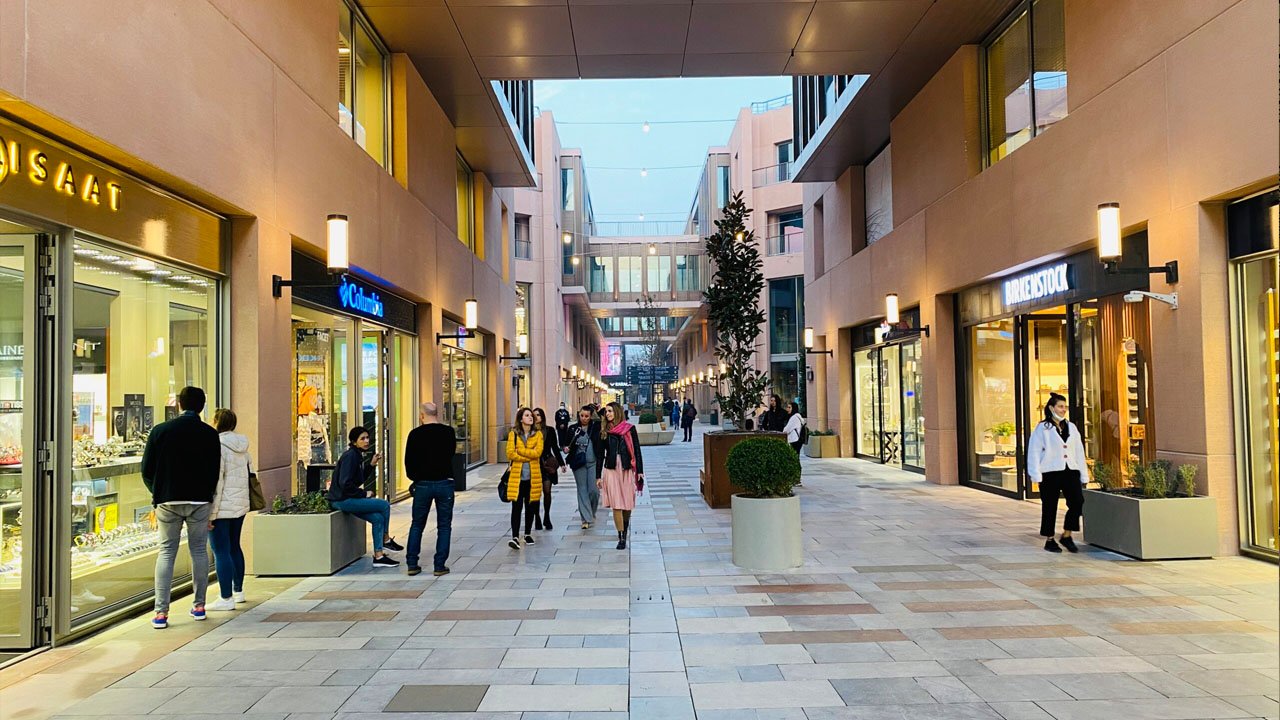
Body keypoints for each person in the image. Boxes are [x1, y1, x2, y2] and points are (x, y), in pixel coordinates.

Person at [141, 386, 221, 629]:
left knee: (166, 552)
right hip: (199, 500)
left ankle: (161, 612)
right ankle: (199, 606)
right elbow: (214, 471)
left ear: (178, 404)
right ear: (202, 406)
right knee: (198, 551)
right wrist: (209, 498)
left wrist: (157, 492)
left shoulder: (160, 431)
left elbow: (146, 469)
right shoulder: (209, 434)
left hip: (167, 499)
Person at [328, 426, 403, 567]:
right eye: (362, 438)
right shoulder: (350, 456)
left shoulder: (356, 455)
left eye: (367, 438)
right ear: (354, 441)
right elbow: (345, 483)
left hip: (345, 498)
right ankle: (385, 540)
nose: (366, 441)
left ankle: (379, 556)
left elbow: (357, 480)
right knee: (384, 505)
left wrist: (371, 465)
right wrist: (363, 494)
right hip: (341, 500)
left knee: (378, 518)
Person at [1027, 392, 1090, 553]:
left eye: (1065, 407)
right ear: (1051, 408)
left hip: (1071, 471)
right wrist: (1035, 474)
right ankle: (1049, 539)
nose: (1063, 410)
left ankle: (1067, 535)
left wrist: (1083, 473)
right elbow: (1033, 451)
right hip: (1050, 472)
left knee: (1077, 502)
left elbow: (1079, 451)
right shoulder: (1043, 428)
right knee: (1050, 506)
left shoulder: (1072, 427)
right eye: (1060, 407)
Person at [403, 402, 456, 577]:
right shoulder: (448, 432)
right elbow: (451, 454)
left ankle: (412, 563)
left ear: (421, 415)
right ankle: (439, 565)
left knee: (417, 524)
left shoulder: (415, 434)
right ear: (438, 413)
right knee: (444, 525)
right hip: (444, 482)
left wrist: (415, 478)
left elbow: (409, 461)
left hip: (423, 484)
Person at [206, 408, 251, 612]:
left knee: (220, 550)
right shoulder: (243, 447)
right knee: (234, 547)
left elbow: (217, 482)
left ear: (216, 422)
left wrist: (211, 513)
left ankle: (225, 597)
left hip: (222, 507)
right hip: (240, 505)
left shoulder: (218, 446)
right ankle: (238, 591)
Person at [597, 402, 643, 550]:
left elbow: (636, 450)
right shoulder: (604, 431)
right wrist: (598, 475)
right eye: (606, 412)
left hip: (626, 468)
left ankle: (625, 524)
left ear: (617, 412)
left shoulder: (629, 429)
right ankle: (621, 536)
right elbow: (600, 455)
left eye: (610, 411)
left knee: (627, 504)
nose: (607, 414)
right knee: (616, 504)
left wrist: (640, 471)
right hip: (611, 469)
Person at [505, 408, 543, 548]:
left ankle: (527, 534)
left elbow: (538, 452)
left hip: (533, 477)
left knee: (530, 506)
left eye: (531, 415)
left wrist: (520, 451)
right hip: (517, 477)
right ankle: (515, 536)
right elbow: (510, 453)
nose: (530, 417)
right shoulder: (513, 434)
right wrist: (528, 454)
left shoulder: (538, 434)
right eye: (527, 415)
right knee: (516, 507)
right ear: (521, 419)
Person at [566, 405, 602, 529]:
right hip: (578, 463)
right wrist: (566, 448)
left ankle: (591, 512)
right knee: (582, 489)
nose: (584, 418)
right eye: (582, 415)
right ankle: (585, 519)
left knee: (594, 491)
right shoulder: (573, 428)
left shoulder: (596, 428)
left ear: (591, 416)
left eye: (587, 416)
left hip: (593, 462)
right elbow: (566, 443)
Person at [532, 408, 564, 530]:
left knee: (547, 491)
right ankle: (537, 517)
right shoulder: (530, 431)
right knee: (535, 493)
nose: (536, 418)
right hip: (534, 464)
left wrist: (561, 463)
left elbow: (555, 448)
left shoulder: (549, 430)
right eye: (534, 415)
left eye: (538, 415)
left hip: (547, 463)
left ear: (543, 417)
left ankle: (546, 516)